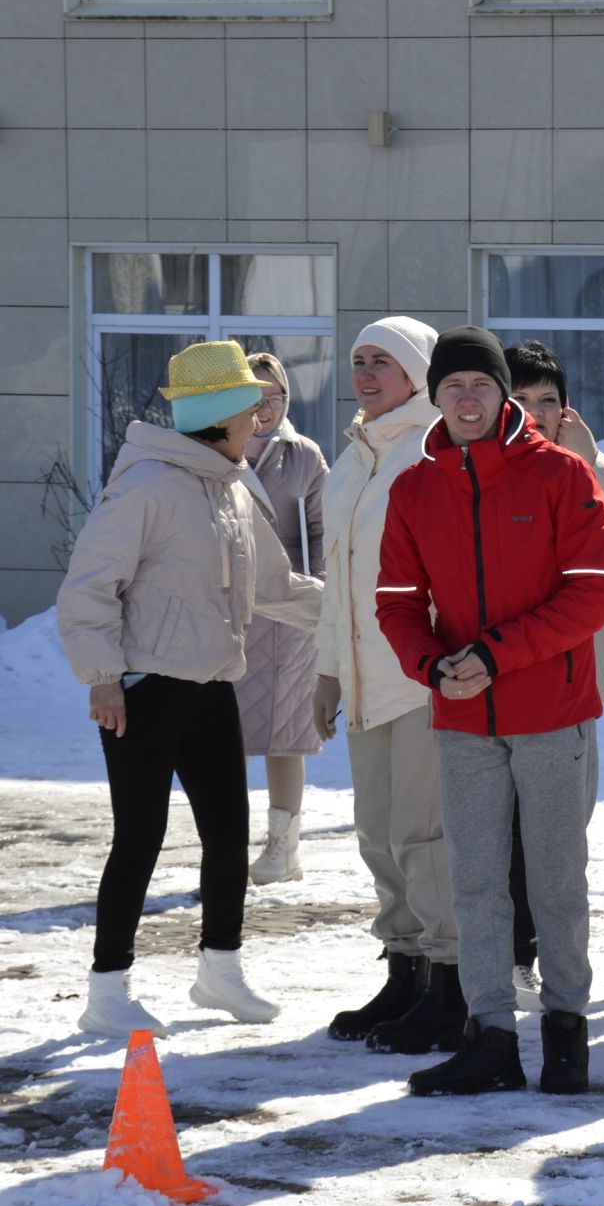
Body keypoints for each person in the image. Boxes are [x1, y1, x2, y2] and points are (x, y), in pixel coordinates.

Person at [377, 325, 604, 1096]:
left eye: (481, 385)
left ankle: (565, 1036)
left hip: (551, 711)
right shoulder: (414, 488)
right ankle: (491, 1037)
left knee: (555, 879)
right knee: (476, 881)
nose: (468, 399)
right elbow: (395, 601)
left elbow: (597, 587)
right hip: (462, 720)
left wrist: (493, 655)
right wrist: (429, 665)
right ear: (436, 396)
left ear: (501, 393)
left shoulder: (559, 475)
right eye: (454, 387)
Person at [58, 340, 323, 1037]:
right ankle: (107, 992)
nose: (264, 414)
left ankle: (220, 972)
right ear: (225, 414)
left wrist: (362, 609)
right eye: (253, 404)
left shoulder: (231, 487)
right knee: (139, 838)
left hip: (212, 685)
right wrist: (103, 678)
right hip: (142, 690)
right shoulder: (147, 485)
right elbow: (88, 589)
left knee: (229, 835)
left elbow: (275, 588)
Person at [314, 317, 466, 1054]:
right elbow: (338, 584)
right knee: (377, 832)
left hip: (421, 680)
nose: (366, 374)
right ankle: (404, 970)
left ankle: (453, 980)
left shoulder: (433, 451)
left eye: (384, 362)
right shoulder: (353, 457)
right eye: (358, 361)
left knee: (425, 836)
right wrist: (328, 672)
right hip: (367, 681)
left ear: (417, 373)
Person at [502, 340, 604, 1000]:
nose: (534, 414)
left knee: (556, 837)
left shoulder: (589, 471)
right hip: (491, 679)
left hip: (568, 682)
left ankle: (552, 968)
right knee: (493, 832)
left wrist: (592, 464)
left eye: (547, 402)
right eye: (519, 400)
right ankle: (503, 958)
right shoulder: (478, 468)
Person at [234, 351, 329, 885]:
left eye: (275, 397)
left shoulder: (304, 456)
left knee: (285, 734)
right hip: (232, 612)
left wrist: (320, 590)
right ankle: (226, 841)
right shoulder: (216, 449)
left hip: (291, 614)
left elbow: (323, 528)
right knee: (227, 735)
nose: (264, 408)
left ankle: (281, 849)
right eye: (253, 396)